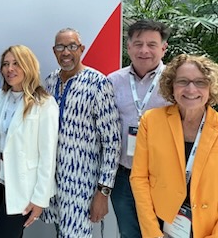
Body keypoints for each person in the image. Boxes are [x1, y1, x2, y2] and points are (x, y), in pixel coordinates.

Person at [41, 27, 121, 238]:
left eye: (72, 46)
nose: (66, 52)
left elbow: (112, 142)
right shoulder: (49, 82)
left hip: (82, 185)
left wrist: (103, 192)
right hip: (53, 183)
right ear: (54, 50)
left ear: (81, 49)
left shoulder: (98, 84)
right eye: (61, 47)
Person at [130, 54, 218, 238]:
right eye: (183, 81)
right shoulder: (151, 121)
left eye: (200, 82)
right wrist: (153, 233)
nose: (191, 89)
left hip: (208, 228)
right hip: (162, 225)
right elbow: (139, 178)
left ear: (211, 87)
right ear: (171, 85)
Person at [107, 19, 171, 238]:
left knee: (163, 233)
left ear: (164, 48)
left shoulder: (176, 82)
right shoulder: (113, 81)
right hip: (124, 177)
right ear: (128, 47)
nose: (144, 50)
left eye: (152, 44)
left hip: (163, 177)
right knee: (129, 233)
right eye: (138, 43)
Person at [0, 45, 58, 238]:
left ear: (28, 66)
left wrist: (40, 199)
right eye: (5, 64)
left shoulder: (44, 103)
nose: (9, 69)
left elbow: (48, 155)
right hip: (1, 186)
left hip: (24, 189)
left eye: (16, 63)